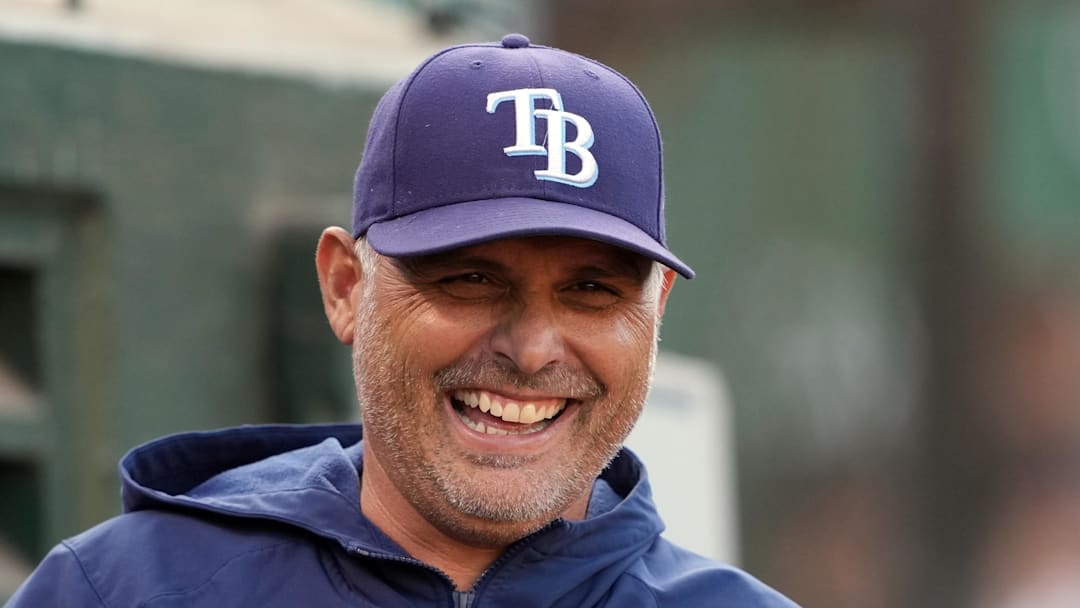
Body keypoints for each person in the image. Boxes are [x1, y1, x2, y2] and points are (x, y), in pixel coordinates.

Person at [8, 34, 796, 607]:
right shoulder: (128, 590)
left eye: (591, 290)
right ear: (346, 286)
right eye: (469, 279)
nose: (529, 350)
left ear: (655, 312)